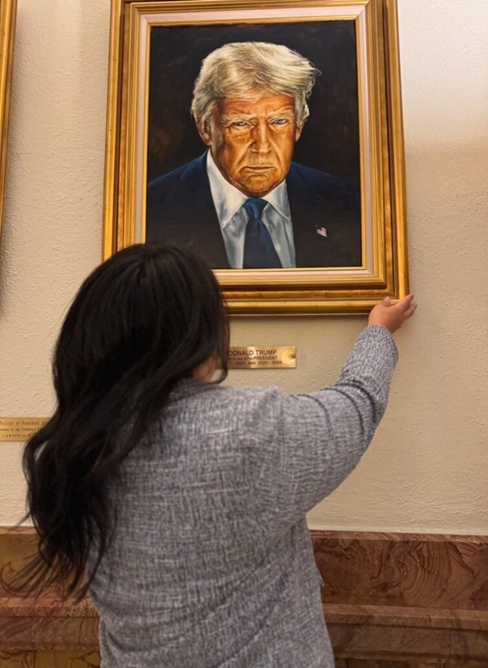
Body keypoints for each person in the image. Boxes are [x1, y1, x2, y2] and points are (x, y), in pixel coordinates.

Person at [20, 244, 416, 668]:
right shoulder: (249, 428)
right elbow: (356, 406)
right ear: (201, 334)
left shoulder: (73, 449)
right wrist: (378, 331)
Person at [147, 42, 361, 269]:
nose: (262, 146)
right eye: (240, 123)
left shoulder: (346, 203)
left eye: (279, 121)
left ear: (298, 126)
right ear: (205, 128)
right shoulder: (151, 210)